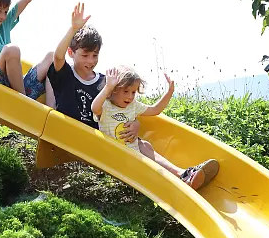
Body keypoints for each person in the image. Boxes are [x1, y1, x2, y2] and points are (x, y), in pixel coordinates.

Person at [91, 65, 219, 190]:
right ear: (113, 90)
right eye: (126, 91)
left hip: (135, 155)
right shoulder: (105, 107)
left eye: (133, 92)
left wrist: (169, 93)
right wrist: (108, 87)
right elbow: (94, 108)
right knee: (143, 148)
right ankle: (180, 178)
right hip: (116, 157)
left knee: (145, 145)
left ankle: (182, 175)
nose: (130, 96)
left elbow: (155, 109)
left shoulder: (133, 106)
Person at [47, 3, 139, 142]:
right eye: (85, 55)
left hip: (94, 140)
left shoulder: (105, 82)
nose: (90, 61)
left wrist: (136, 123)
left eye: (95, 55)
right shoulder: (66, 74)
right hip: (66, 133)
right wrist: (73, 29)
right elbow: (58, 57)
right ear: (71, 53)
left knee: (143, 145)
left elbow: (124, 106)